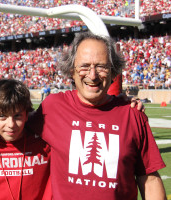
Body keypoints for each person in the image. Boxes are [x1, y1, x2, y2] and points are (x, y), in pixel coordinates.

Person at [27, 32, 166, 200]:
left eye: (101, 67)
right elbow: (11, 126)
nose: (92, 75)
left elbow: (149, 179)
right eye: (84, 66)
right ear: (72, 70)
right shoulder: (53, 107)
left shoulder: (132, 114)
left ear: (113, 71)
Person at [0, 79, 51, 200]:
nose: (11, 124)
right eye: (2, 116)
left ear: (26, 115)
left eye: (17, 116)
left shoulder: (45, 143)